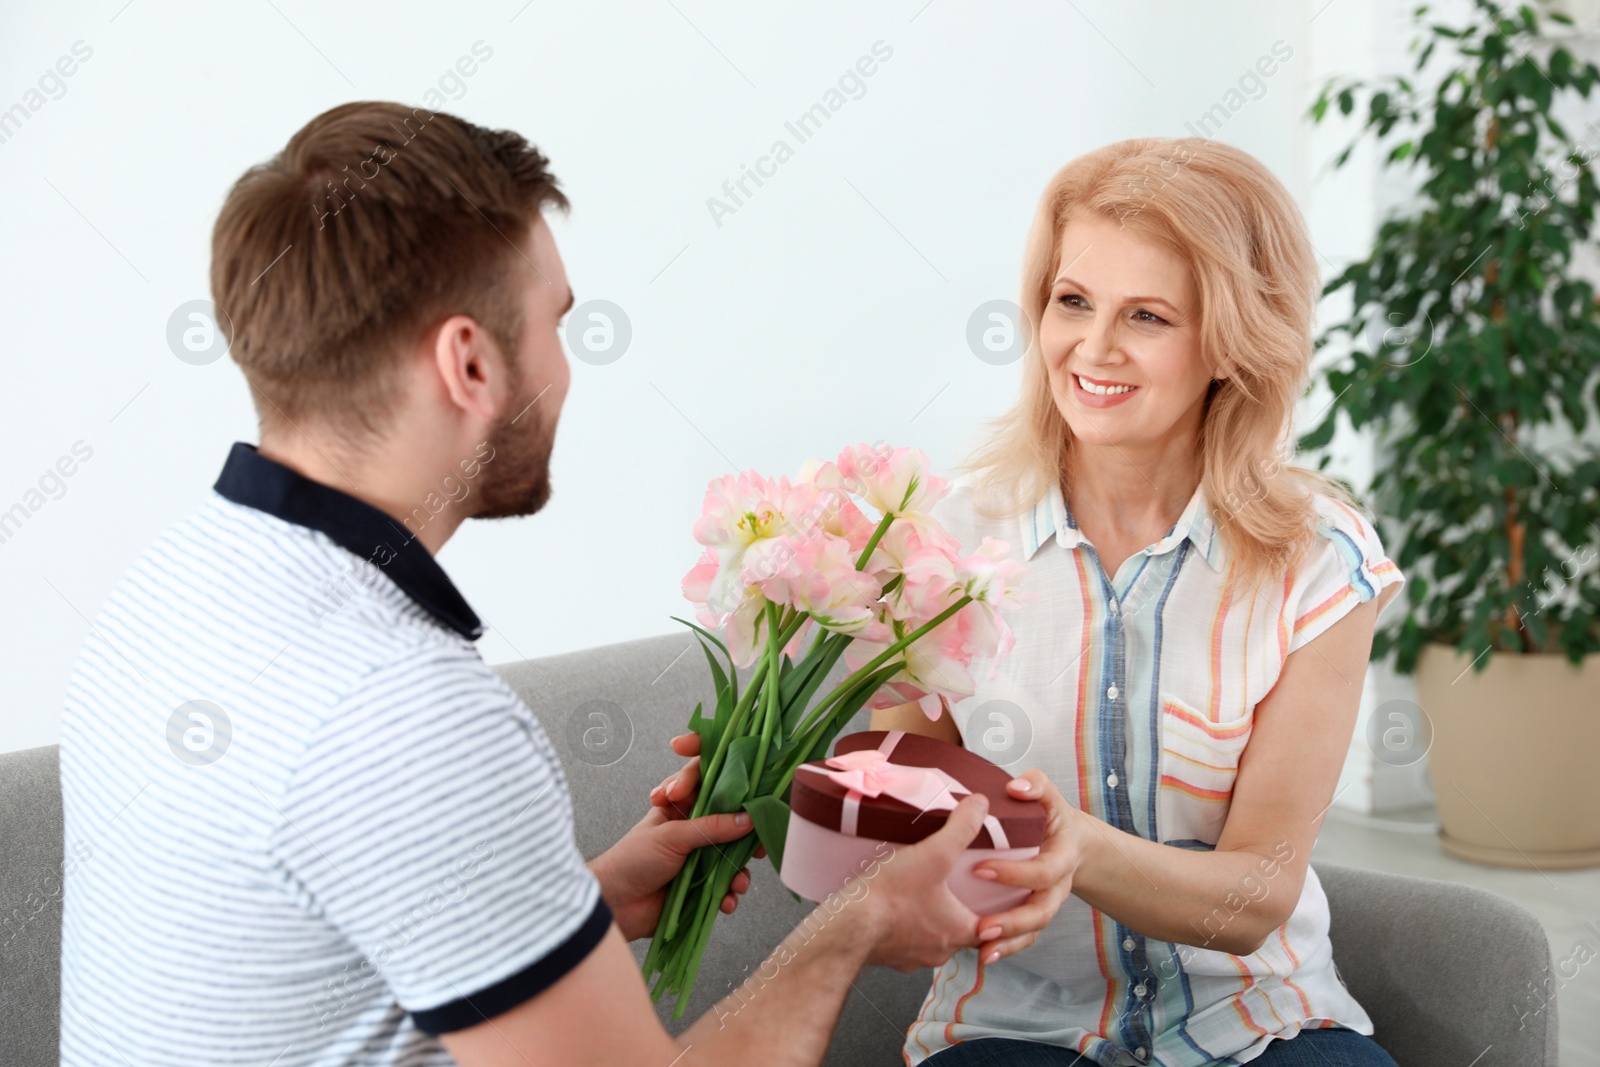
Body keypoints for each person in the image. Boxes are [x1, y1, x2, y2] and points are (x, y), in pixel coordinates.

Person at [55, 101, 1060, 1067]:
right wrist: (859, 917)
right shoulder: (404, 708)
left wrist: (578, 901)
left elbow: (312, 949)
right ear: (470, 362)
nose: (568, 368)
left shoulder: (171, 584)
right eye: (555, 322)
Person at [866, 138, 1406, 1065]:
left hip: (1261, 1020)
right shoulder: (937, 545)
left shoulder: (1321, 562)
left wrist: (1074, 845)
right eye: (1073, 301)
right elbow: (900, 828)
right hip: (1014, 1024)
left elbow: (1258, 896)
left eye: (1148, 315)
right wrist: (785, 778)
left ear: (1234, 341)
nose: (1095, 347)